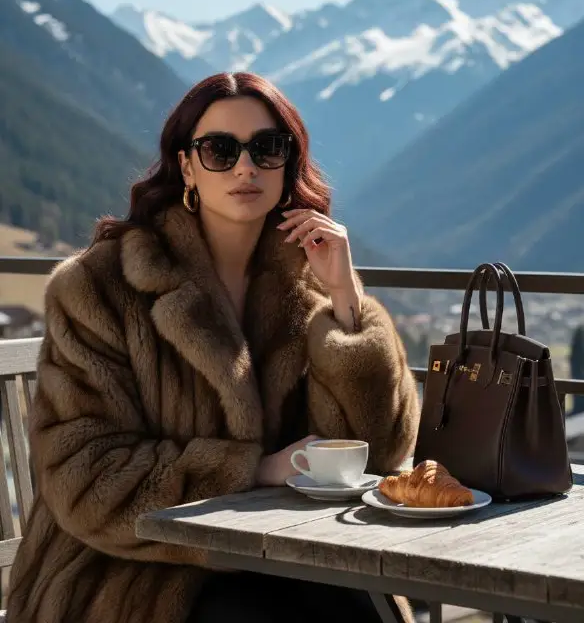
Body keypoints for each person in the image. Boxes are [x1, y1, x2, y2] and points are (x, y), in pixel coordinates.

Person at [7, 72, 420, 623]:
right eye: (220, 150)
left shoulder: (312, 284)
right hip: (129, 572)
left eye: (267, 148)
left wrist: (346, 298)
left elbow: (381, 453)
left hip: (287, 551)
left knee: (358, 608)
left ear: (288, 164)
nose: (245, 167)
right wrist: (251, 470)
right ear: (187, 167)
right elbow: (84, 475)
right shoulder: (101, 287)